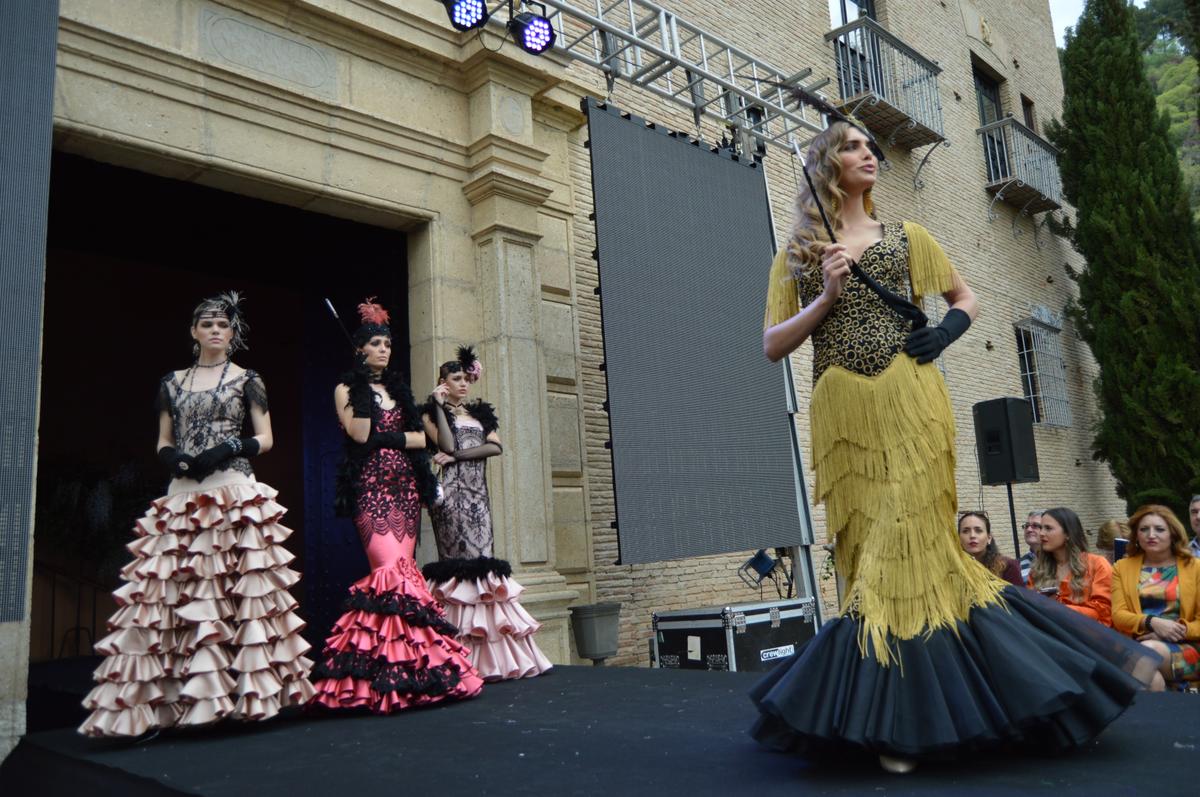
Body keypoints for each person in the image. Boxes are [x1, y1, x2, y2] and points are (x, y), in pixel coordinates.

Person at [749, 110, 1158, 772]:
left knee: (912, 547)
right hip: (842, 409)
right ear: (828, 164)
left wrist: (944, 334)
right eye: (853, 146)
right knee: (867, 554)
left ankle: (905, 723)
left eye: (870, 145)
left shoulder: (908, 236)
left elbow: (964, 298)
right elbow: (773, 345)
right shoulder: (798, 253)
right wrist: (825, 296)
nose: (868, 152)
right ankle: (895, 713)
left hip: (912, 398)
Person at [80, 292, 315, 737]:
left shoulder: (248, 378)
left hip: (232, 486)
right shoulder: (172, 381)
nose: (214, 331)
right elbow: (163, 439)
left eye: (222, 325)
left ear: (232, 334)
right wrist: (172, 458)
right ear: (193, 332)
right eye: (206, 324)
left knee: (235, 592)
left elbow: (266, 438)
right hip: (183, 490)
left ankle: (242, 699)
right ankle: (172, 705)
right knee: (170, 595)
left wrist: (232, 446)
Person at [309, 299, 483, 712]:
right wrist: (367, 402)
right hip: (370, 489)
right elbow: (359, 434)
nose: (384, 350)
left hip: (405, 488)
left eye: (387, 343)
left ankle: (412, 671)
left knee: (405, 572)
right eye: (375, 343)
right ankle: (381, 676)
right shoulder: (345, 389)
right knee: (388, 573)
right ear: (360, 350)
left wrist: (394, 438)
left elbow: (426, 440)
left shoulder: (399, 391)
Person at [421, 346, 553, 681]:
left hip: (478, 497)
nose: (463, 384)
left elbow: (495, 446)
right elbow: (447, 445)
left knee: (483, 566)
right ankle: (457, 656)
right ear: (442, 382)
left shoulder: (481, 415)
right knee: (457, 569)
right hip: (449, 499)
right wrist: (437, 406)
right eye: (455, 379)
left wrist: (459, 457)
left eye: (466, 378)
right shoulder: (430, 413)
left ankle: (493, 658)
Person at [1112, 505, 1200, 690]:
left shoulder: (1195, 567)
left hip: (1189, 647)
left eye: (1159, 529)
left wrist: (1173, 631)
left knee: (1147, 654)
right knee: (1152, 678)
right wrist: (1152, 622)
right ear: (1136, 535)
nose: (1151, 535)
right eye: (1144, 529)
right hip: (1139, 645)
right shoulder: (1122, 567)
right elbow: (1119, 615)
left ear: (1172, 534)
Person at [1028, 507, 1114, 626]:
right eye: (1041, 528)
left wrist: (1058, 609)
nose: (1041, 533)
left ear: (1068, 534)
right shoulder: (1037, 570)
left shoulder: (1097, 564)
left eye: (1048, 528)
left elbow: (1103, 613)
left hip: (1088, 637)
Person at [958, 511, 1022, 587]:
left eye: (978, 530)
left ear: (989, 538)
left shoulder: (1008, 567)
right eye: (966, 531)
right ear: (959, 538)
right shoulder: (953, 569)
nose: (972, 535)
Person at [1019, 510, 1044, 583]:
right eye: (1026, 526)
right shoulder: (1018, 565)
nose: (1029, 529)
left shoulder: (1060, 559)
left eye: (1035, 526)